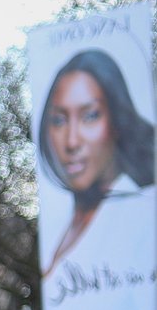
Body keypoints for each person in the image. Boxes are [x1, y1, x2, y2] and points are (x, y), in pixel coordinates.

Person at [37, 47, 157, 277]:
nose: (72, 141)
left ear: (117, 120)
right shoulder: (55, 226)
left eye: (90, 116)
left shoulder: (142, 217)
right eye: (59, 120)